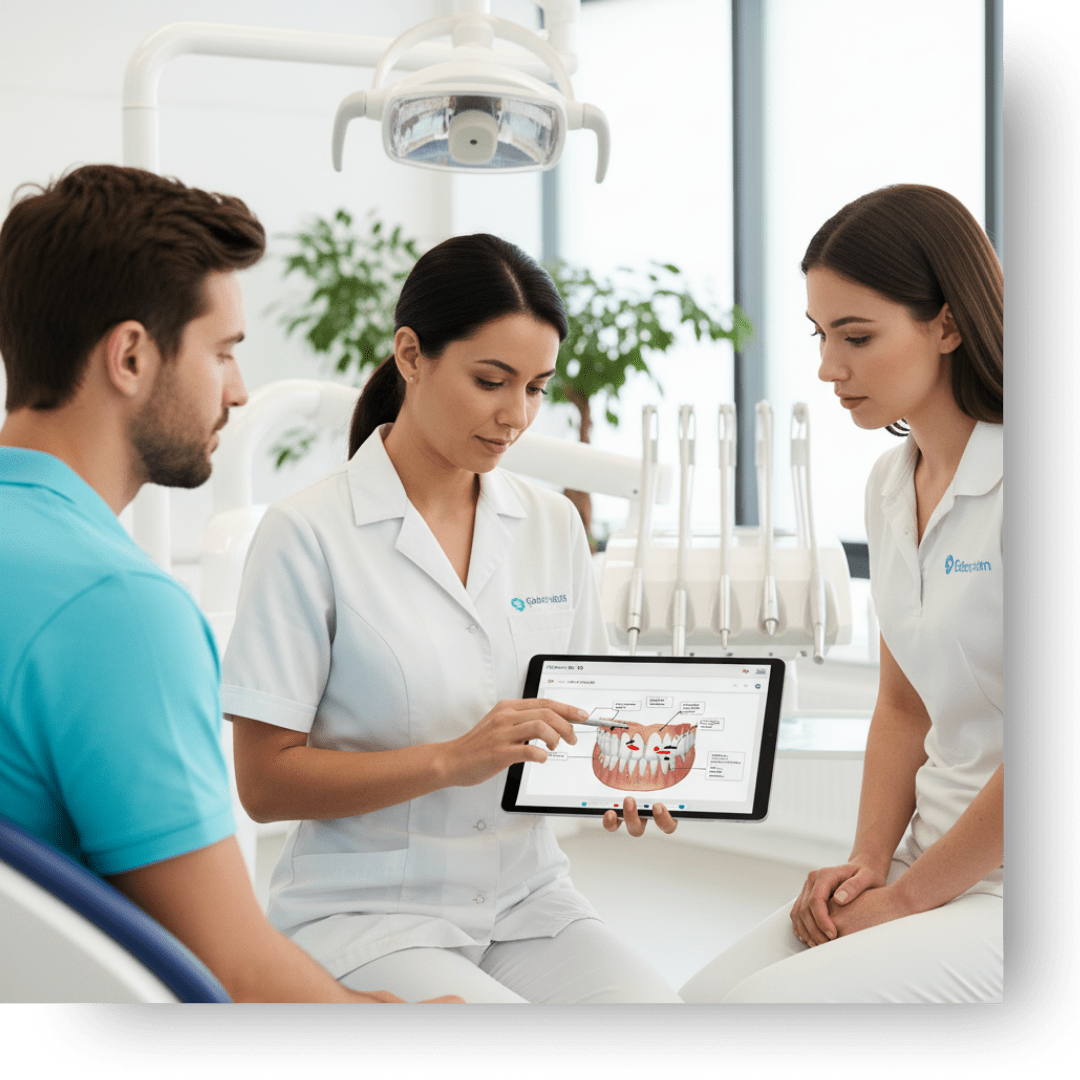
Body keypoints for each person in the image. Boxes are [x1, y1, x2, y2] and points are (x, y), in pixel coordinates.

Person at [0, 164, 457, 1004]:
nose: (240, 392)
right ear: (131, 355)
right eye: (223, 352)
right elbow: (235, 971)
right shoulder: (117, 609)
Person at [222, 233, 683, 1003]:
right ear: (411, 355)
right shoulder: (307, 534)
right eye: (491, 381)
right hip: (366, 915)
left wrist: (619, 779)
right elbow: (265, 783)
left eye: (536, 387)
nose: (516, 416)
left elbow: (584, 716)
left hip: (527, 901)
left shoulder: (550, 525)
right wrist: (451, 759)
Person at [679, 184, 1003, 1004]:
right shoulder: (891, 485)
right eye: (822, 335)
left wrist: (906, 901)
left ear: (949, 324)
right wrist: (867, 866)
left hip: (991, 887)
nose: (828, 368)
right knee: (700, 1000)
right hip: (925, 858)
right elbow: (903, 705)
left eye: (856, 336)